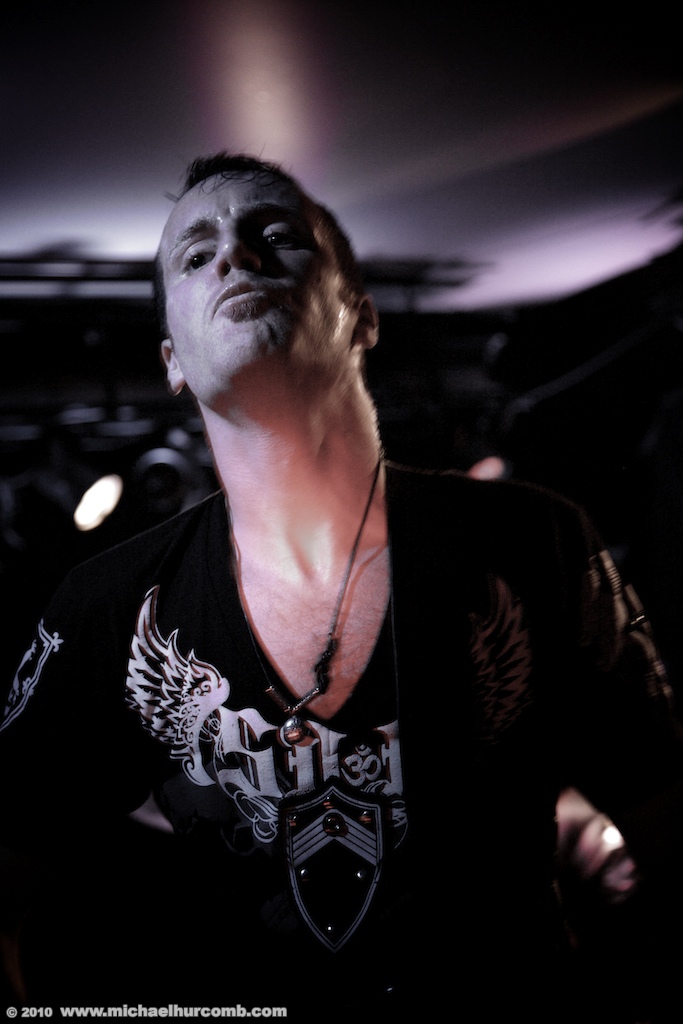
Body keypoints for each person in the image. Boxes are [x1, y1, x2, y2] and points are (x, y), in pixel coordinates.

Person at [1, 152, 683, 1022]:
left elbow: (665, 823)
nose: (235, 255)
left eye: (277, 235)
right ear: (172, 359)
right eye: (196, 255)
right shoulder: (107, 605)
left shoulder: (532, 541)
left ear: (361, 315)